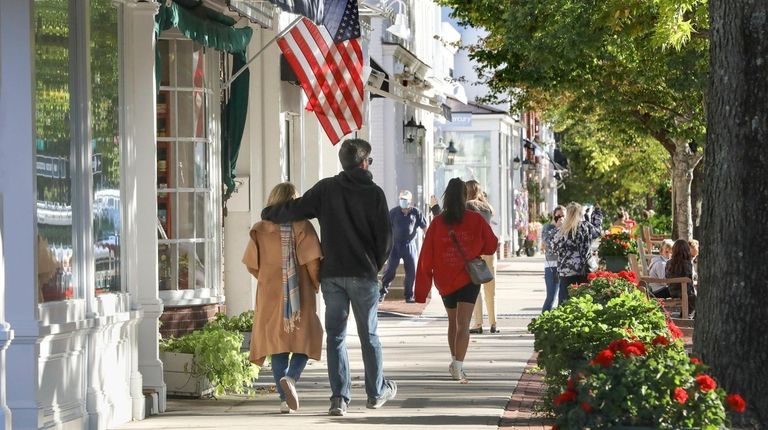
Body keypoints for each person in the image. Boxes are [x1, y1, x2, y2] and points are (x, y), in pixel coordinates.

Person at [260, 138, 396, 417]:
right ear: (363, 162)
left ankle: (339, 399)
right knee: (368, 335)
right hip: (362, 275)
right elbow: (385, 240)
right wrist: (374, 266)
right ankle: (376, 392)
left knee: (336, 337)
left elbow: (294, 208)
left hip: (333, 276)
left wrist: (268, 214)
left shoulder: (326, 189)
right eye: (369, 160)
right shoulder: (375, 194)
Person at [242, 182, 323, 414]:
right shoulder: (303, 227)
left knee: (278, 345)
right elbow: (313, 263)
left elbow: (250, 264)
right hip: (300, 292)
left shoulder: (260, 229)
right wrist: (316, 284)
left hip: (269, 292)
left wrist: (267, 278)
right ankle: (291, 377)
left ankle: (283, 400)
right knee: (306, 340)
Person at [415, 178, 498, 383]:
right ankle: (458, 367)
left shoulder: (437, 223)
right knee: (464, 323)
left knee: (453, 322)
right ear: (463, 196)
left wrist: (422, 287)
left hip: (444, 278)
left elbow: (426, 255)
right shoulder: (475, 219)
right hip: (468, 277)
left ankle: (454, 359)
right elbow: (491, 245)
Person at [379, 190, 427, 303]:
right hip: (395, 246)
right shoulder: (393, 212)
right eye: (401, 199)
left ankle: (409, 295)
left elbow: (425, 228)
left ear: (410, 201)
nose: (403, 201)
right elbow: (385, 228)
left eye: (405, 199)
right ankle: (381, 293)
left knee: (411, 271)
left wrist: (428, 239)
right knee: (390, 269)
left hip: (409, 245)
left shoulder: (416, 213)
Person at [464, 180, 499, 334]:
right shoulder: (488, 207)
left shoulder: (468, 206)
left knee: (475, 288)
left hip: (475, 251)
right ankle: (494, 323)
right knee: (491, 289)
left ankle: (478, 324)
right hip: (490, 251)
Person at [552, 202, 603, 296]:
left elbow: (554, 248)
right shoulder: (586, 227)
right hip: (584, 270)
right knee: (584, 302)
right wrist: (597, 214)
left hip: (566, 272)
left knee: (564, 304)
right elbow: (598, 232)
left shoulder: (562, 230)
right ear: (580, 214)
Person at [541, 205, 565, 311]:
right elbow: (548, 244)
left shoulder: (566, 228)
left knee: (563, 297)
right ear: (554, 215)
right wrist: (557, 228)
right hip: (552, 266)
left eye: (563, 216)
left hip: (564, 266)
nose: (560, 218)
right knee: (551, 296)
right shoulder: (548, 227)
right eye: (558, 215)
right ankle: (543, 321)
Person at [666, 239, 696, 316]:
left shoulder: (668, 263)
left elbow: (666, 278)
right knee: (696, 298)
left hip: (672, 291)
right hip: (685, 293)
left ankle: (684, 315)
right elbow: (690, 281)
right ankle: (686, 316)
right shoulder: (688, 264)